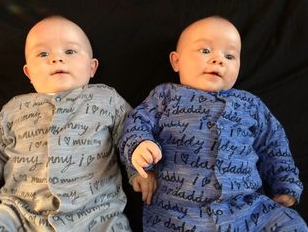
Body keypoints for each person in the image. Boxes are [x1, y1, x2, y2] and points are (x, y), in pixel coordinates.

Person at [0, 15, 154, 232]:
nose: (56, 59)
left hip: (96, 214)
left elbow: (131, 133)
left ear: (92, 67)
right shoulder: (14, 108)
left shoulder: (105, 98)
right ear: (29, 73)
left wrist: (139, 170)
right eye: (43, 54)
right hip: (21, 214)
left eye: (69, 51)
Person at [119, 16, 308, 231]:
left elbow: (274, 144)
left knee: (290, 224)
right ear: (176, 61)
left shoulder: (250, 104)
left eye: (230, 56)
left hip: (247, 209)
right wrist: (139, 147)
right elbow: (136, 123)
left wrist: (285, 183)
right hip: (178, 210)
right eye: (205, 51)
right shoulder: (164, 96)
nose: (219, 60)